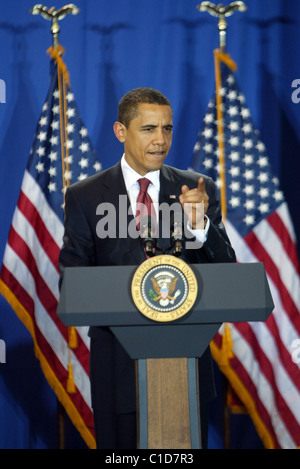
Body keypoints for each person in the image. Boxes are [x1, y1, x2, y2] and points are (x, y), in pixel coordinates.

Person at [58, 87, 236, 449]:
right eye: (149, 129)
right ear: (121, 132)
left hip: (186, 362)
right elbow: (73, 284)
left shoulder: (197, 189)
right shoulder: (85, 196)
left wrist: (200, 226)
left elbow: (227, 270)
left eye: (167, 129)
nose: (161, 140)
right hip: (118, 365)